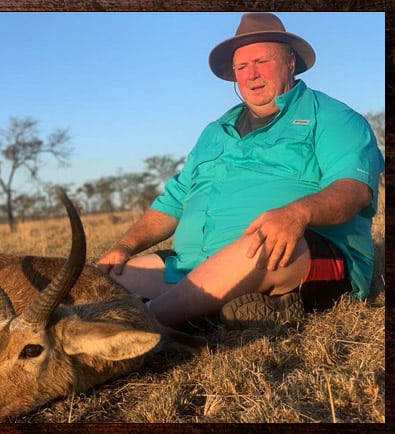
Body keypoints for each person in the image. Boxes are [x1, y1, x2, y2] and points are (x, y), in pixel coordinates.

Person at [97, 12, 384, 331]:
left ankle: (145, 325)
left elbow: (354, 189)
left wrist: (297, 213)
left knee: (264, 240)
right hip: (198, 264)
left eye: (262, 62)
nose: (252, 75)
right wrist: (124, 245)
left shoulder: (333, 117)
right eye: (242, 67)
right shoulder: (214, 132)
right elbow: (173, 202)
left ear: (290, 63)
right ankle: (220, 305)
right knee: (109, 278)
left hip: (292, 252)